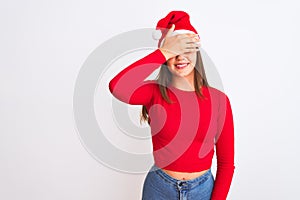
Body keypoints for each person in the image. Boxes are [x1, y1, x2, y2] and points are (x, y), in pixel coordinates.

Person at [108, 10, 235, 200]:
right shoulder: (153, 92)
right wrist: (163, 51)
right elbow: (117, 86)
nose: (180, 57)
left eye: (186, 49)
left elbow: (226, 163)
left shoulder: (219, 100)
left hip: (202, 190)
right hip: (159, 188)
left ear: (197, 51)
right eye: (174, 52)